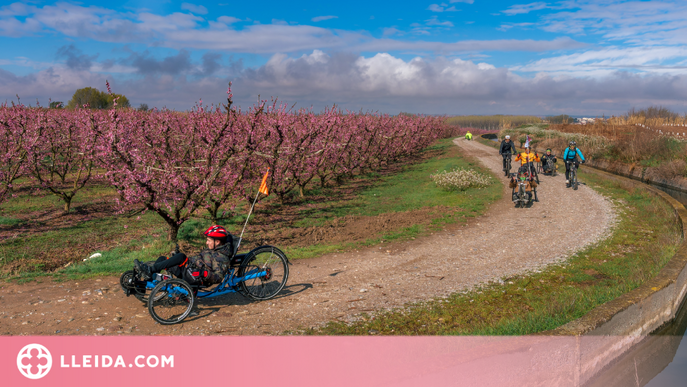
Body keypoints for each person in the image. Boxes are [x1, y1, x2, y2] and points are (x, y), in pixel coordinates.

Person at [135, 225, 235, 285]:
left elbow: (218, 277)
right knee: (162, 259)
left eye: (208, 240)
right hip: (189, 269)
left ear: (217, 242)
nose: (206, 243)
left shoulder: (221, 258)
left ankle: (150, 270)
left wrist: (204, 273)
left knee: (181, 257)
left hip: (196, 276)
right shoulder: (213, 249)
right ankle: (145, 283)